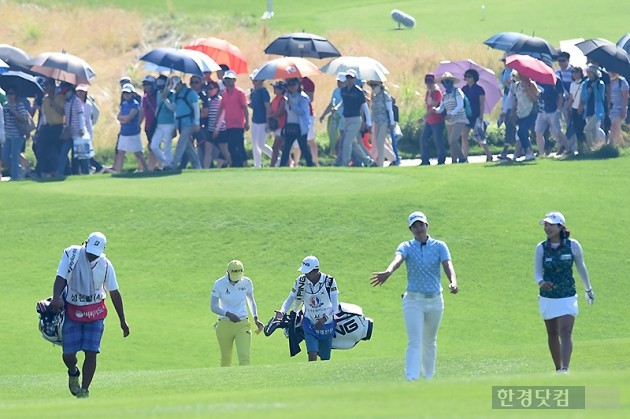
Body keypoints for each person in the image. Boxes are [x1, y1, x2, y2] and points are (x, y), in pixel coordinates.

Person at [371, 211, 458, 381]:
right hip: (413, 300)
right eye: (414, 226)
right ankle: (411, 378)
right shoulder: (407, 246)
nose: (418, 229)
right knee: (415, 340)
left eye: (421, 225)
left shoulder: (440, 246)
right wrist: (388, 272)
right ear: (411, 229)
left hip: (435, 300)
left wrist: (453, 282)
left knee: (430, 341)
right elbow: (398, 259)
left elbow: (448, 265)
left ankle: (428, 377)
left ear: (427, 226)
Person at [48, 232, 130, 398]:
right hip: (73, 309)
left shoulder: (106, 265)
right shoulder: (72, 255)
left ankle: (84, 390)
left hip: (95, 312)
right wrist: (56, 298)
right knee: (68, 354)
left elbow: (114, 293)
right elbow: (61, 277)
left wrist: (123, 320)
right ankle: (73, 372)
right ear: (85, 244)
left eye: (95, 253)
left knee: (91, 351)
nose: (92, 256)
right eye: (90, 251)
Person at [535, 211, 594, 373]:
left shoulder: (573, 245)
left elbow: (581, 267)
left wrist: (588, 289)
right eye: (545, 225)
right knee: (553, 333)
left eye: (551, 225)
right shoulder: (541, 248)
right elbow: (537, 272)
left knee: (565, 331)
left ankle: (565, 369)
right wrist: (541, 282)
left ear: (560, 226)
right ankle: (558, 368)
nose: (547, 228)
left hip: (567, 295)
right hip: (548, 297)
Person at [276, 256, 339, 361]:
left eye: (308, 272)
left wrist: (324, 319)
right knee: (312, 354)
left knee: (325, 358)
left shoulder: (329, 281)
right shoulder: (300, 281)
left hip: (326, 324)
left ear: (316, 271)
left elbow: (335, 304)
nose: (305, 275)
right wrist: (282, 311)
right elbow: (290, 298)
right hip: (309, 323)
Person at [210, 260, 264, 366]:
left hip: (242, 324)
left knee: (244, 358)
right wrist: (227, 314)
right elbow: (213, 307)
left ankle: (245, 381)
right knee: (226, 359)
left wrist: (255, 318)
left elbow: (251, 300)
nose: (236, 280)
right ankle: (226, 382)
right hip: (224, 324)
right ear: (228, 272)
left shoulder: (247, 282)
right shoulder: (219, 284)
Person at [337, 70, 375, 167]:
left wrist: (369, 123)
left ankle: (345, 163)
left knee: (347, 141)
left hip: (355, 119)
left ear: (355, 79)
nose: (349, 80)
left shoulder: (358, 91)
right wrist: (336, 108)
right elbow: (343, 102)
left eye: (351, 78)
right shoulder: (343, 90)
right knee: (353, 143)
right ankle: (368, 161)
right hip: (346, 119)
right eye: (348, 77)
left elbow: (365, 107)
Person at [215, 70, 249, 167]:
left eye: (230, 79)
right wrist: (216, 121)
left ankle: (244, 164)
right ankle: (235, 164)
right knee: (231, 146)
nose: (228, 81)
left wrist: (246, 121)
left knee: (239, 145)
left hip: (238, 124)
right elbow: (221, 108)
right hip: (229, 124)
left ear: (234, 80)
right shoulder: (225, 94)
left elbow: (244, 108)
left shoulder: (239, 93)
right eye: (226, 79)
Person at [113, 83, 148, 173]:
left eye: (128, 93)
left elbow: (129, 118)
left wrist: (123, 119)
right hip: (124, 132)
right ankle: (118, 172)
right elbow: (118, 116)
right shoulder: (124, 104)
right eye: (124, 93)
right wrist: (124, 119)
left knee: (138, 153)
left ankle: (146, 170)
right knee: (121, 152)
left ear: (133, 94)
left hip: (133, 132)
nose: (126, 95)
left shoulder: (135, 105)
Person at [433, 72, 467, 164]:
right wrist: (435, 110)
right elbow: (442, 108)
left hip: (459, 118)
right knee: (451, 142)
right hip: (449, 120)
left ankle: (462, 158)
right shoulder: (444, 95)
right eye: (443, 82)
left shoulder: (457, 92)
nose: (445, 84)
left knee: (453, 139)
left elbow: (460, 105)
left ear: (452, 82)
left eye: (447, 81)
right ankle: (454, 161)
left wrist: (451, 114)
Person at [279, 78, 313, 167]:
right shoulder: (287, 96)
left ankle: (310, 164)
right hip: (290, 126)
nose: (292, 87)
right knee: (286, 148)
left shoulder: (303, 97)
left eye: (294, 84)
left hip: (300, 127)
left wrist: (292, 105)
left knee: (303, 147)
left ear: (298, 85)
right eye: (290, 85)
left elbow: (303, 112)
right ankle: (281, 166)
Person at [461, 69, 493, 162]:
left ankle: (488, 155)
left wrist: (481, 116)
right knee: (464, 135)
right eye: (466, 76)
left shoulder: (479, 89)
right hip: (467, 116)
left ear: (474, 78)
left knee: (480, 137)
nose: (467, 78)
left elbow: (481, 103)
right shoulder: (464, 89)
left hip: (476, 116)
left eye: (469, 77)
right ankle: (465, 157)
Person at [418, 73, 446, 165]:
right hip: (430, 121)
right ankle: (425, 159)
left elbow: (435, 106)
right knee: (423, 138)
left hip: (437, 120)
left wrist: (423, 117)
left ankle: (441, 160)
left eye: (430, 82)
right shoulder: (429, 92)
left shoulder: (437, 92)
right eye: (427, 82)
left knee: (438, 140)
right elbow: (427, 104)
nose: (428, 84)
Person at [2, 87, 29, 180]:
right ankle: (17, 169)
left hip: (18, 135)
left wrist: (14, 112)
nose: (10, 96)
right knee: (4, 156)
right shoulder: (5, 106)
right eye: (8, 93)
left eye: (12, 93)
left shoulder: (19, 105)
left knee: (14, 156)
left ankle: (15, 177)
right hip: (8, 135)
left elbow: (24, 119)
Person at [150, 75, 176, 169]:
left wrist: (165, 100)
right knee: (154, 146)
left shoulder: (172, 94)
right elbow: (157, 107)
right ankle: (165, 162)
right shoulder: (158, 94)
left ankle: (168, 164)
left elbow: (173, 108)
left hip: (169, 123)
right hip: (159, 124)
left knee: (167, 147)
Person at [513, 73, 540, 161]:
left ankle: (528, 152)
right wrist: (513, 112)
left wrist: (528, 90)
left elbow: (535, 99)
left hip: (531, 112)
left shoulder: (531, 84)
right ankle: (527, 151)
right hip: (521, 112)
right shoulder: (516, 86)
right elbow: (516, 99)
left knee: (522, 131)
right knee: (522, 133)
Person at [367, 80, 395, 167]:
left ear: (380, 86)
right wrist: (370, 123)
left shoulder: (385, 96)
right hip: (376, 122)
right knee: (378, 143)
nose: (373, 88)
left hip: (384, 122)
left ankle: (381, 163)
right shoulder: (374, 97)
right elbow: (373, 111)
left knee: (380, 142)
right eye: (372, 86)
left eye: (375, 85)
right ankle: (392, 159)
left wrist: (392, 122)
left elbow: (390, 110)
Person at [578, 65, 606, 150]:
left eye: (591, 73)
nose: (589, 74)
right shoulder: (585, 83)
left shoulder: (600, 84)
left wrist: (594, 88)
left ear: (595, 74)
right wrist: (588, 91)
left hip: (597, 111)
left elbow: (600, 98)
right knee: (593, 131)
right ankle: (597, 148)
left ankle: (590, 148)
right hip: (588, 110)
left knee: (587, 129)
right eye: (588, 72)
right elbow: (584, 97)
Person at [249, 71, 273, 167]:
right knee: (255, 145)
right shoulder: (253, 92)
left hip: (263, 121)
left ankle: (276, 159)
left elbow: (267, 107)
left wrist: (268, 122)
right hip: (255, 121)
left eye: (256, 79)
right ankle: (257, 164)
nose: (254, 81)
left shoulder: (264, 92)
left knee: (261, 144)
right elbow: (254, 106)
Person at [319, 72, 346, 157]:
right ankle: (335, 153)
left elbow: (343, 103)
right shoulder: (336, 91)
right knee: (334, 136)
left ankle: (340, 155)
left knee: (342, 137)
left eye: (341, 81)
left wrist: (336, 108)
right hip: (335, 118)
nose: (339, 83)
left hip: (344, 118)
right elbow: (331, 104)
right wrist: (323, 115)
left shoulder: (347, 92)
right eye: (338, 81)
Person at [607, 71, 628, 146]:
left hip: (619, 108)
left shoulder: (622, 81)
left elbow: (625, 97)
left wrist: (624, 109)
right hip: (611, 108)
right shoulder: (608, 81)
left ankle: (614, 144)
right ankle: (622, 143)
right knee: (615, 128)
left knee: (615, 126)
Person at [269, 80, 287, 167]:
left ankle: (272, 165)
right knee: (282, 147)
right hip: (277, 126)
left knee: (275, 147)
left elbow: (279, 112)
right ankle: (288, 164)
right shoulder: (275, 99)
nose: (274, 89)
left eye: (276, 88)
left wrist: (271, 116)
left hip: (282, 126)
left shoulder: (283, 100)